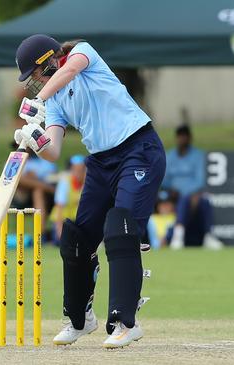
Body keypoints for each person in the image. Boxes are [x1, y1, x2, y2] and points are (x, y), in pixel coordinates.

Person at [13, 34, 166, 348]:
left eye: (36, 75)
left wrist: (40, 99)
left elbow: (69, 72)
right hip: (99, 161)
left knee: (121, 228)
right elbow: (54, 151)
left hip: (139, 148)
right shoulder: (54, 100)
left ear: (50, 60)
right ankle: (80, 320)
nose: (36, 84)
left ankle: (126, 322)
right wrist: (35, 139)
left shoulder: (82, 54)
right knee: (77, 238)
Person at [162, 124, 223, 250]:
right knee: (183, 199)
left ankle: (207, 236)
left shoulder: (198, 155)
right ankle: (177, 236)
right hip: (173, 195)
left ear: (189, 138)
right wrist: (172, 189)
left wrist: (189, 194)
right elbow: (164, 179)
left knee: (205, 201)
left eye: (185, 137)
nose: (182, 140)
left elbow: (200, 180)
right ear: (176, 138)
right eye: (180, 137)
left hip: (195, 195)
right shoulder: (170, 156)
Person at [12, 144, 57, 234]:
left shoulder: (44, 161)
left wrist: (32, 179)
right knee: (22, 181)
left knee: (38, 191)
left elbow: (52, 176)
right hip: (21, 195)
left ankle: (40, 234)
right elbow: (15, 179)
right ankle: (40, 234)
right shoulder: (13, 161)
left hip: (45, 196)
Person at [50, 155, 86, 243]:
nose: (79, 172)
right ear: (71, 169)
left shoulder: (88, 182)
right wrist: (59, 231)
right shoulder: (65, 182)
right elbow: (59, 207)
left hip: (79, 221)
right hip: (64, 221)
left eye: (81, 169)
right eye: (76, 169)